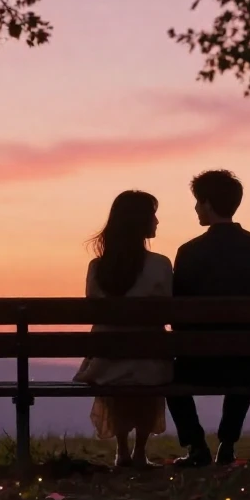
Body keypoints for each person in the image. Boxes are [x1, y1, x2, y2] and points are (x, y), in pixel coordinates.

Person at [166, 170, 250, 467]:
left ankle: (196, 445)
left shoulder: (189, 252)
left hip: (199, 362)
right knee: (246, 349)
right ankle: (227, 444)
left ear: (207, 203)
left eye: (197, 202)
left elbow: (178, 315)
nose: (195, 208)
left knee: (169, 376)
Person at [72, 190, 174, 469]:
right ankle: (139, 451)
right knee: (148, 360)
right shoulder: (160, 264)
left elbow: (95, 313)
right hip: (150, 365)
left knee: (116, 361)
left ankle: (123, 451)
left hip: (106, 366)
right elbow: (168, 310)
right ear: (139, 222)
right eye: (153, 215)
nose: (157, 221)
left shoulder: (98, 268)